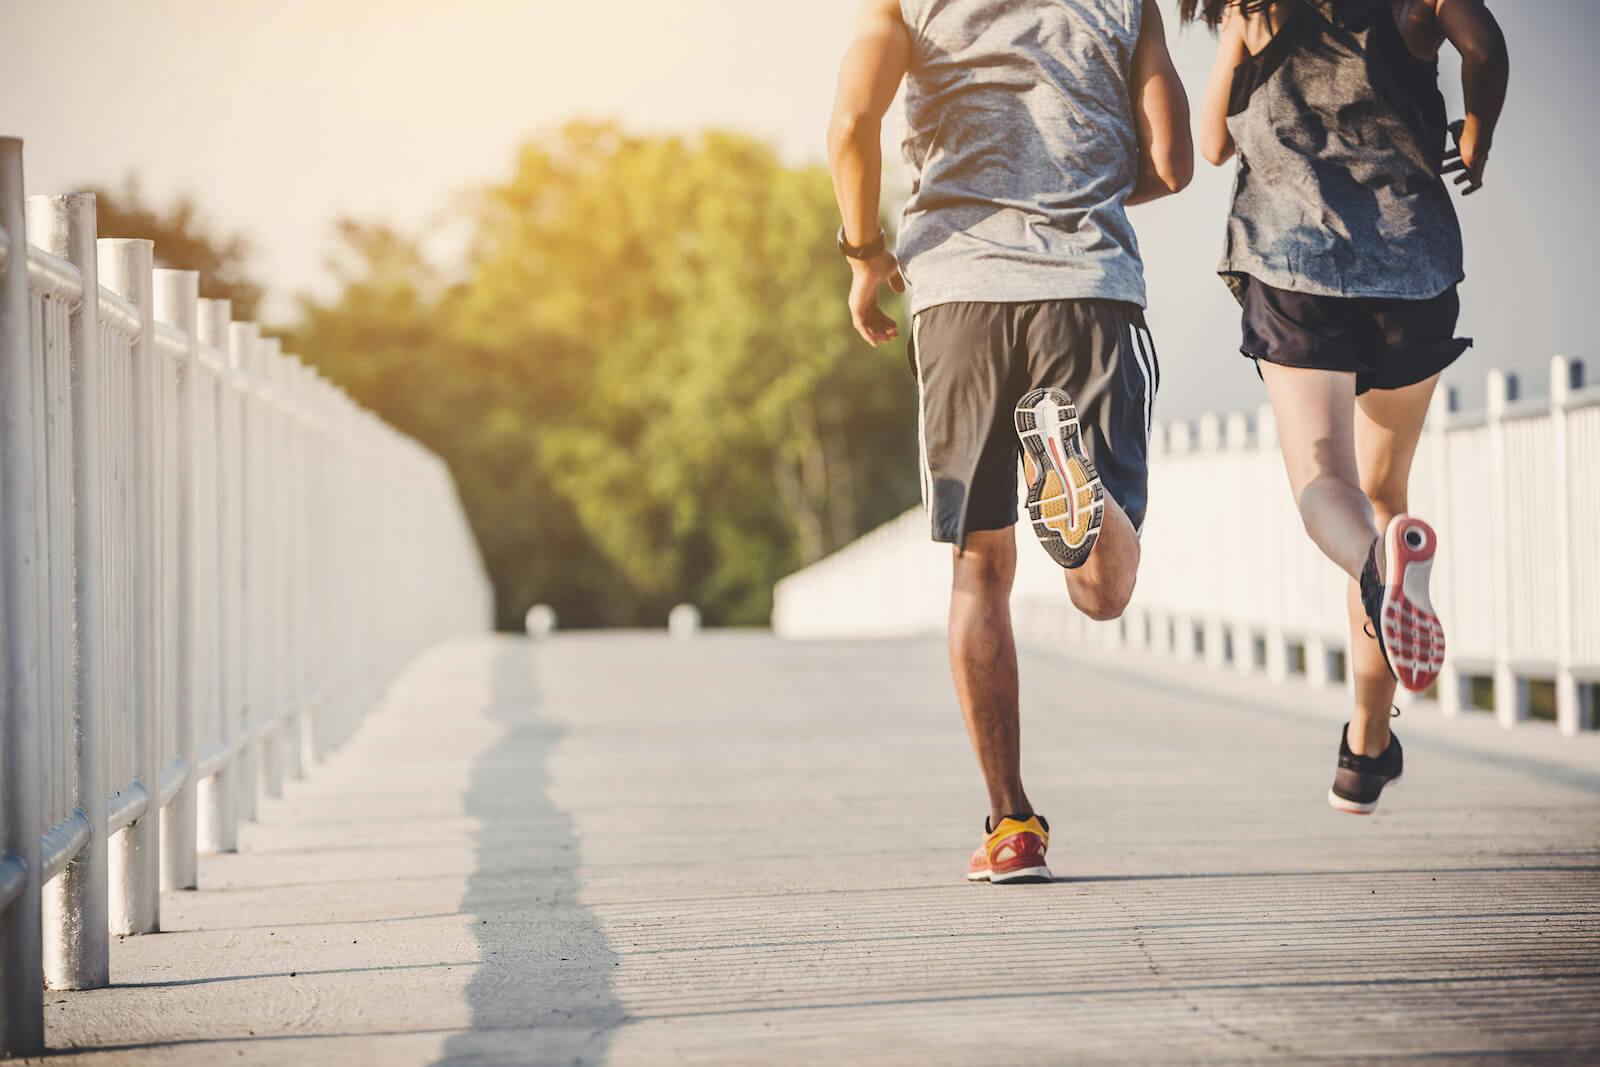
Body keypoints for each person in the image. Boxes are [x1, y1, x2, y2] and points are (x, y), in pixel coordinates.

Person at [827, 0, 1192, 883]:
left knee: (978, 568)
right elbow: (1173, 163)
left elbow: (850, 123)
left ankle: (1011, 824)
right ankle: (1078, 485)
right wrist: (1094, 183)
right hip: (1089, 290)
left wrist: (865, 253)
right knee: (1101, 592)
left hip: (959, 294)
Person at [1185, 0, 1508, 813]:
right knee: (1386, 497)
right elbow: (1486, 46)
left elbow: (1214, 142)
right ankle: (1366, 748)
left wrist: (1238, 39)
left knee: (1329, 487)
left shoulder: (1252, 8)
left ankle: (1378, 572)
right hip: (1413, 270)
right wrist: (1478, 133)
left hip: (1294, 268)